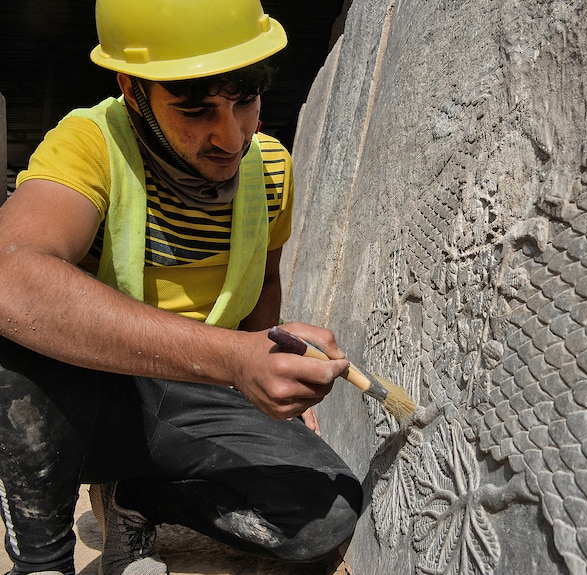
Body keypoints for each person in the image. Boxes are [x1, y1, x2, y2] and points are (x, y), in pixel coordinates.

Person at [0, 1, 362, 574]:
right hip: (93, 391)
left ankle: (137, 498)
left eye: (244, 101)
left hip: (198, 391)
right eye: (195, 110)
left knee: (325, 509)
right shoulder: (90, 144)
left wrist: (268, 357)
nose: (230, 136)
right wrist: (233, 358)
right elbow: (9, 274)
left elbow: (263, 280)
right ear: (132, 88)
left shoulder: (270, 169)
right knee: (17, 338)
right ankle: (43, 561)